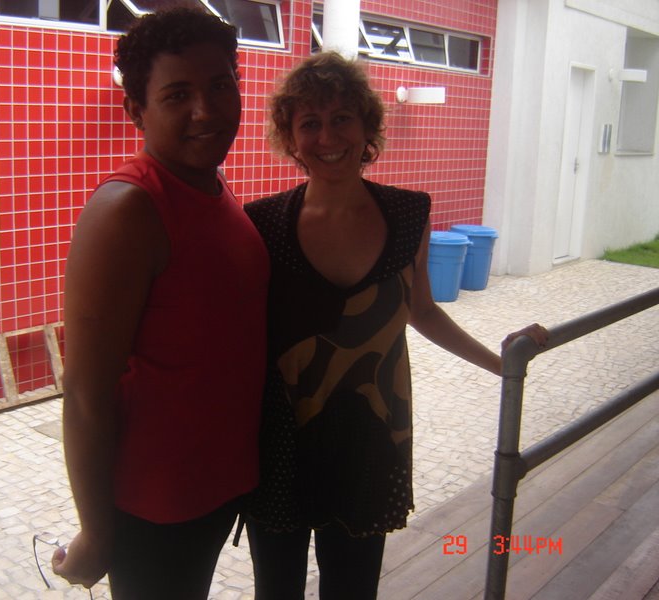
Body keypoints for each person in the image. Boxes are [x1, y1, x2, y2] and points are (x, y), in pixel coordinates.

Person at [243, 52, 548, 600]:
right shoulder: (263, 223)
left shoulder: (409, 214)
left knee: (354, 588)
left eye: (342, 118)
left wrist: (501, 364)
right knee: (276, 590)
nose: (327, 136)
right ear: (289, 138)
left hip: (372, 434)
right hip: (282, 440)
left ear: (368, 127)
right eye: (309, 122)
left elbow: (422, 310)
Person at [52, 7, 269, 599]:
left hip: (218, 489)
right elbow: (86, 392)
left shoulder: (211, 184)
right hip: (156, 508)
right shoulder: (127, 209)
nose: (206, 110)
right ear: (136, 110)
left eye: (220, 86)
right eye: (177, 95)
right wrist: (97, 532)